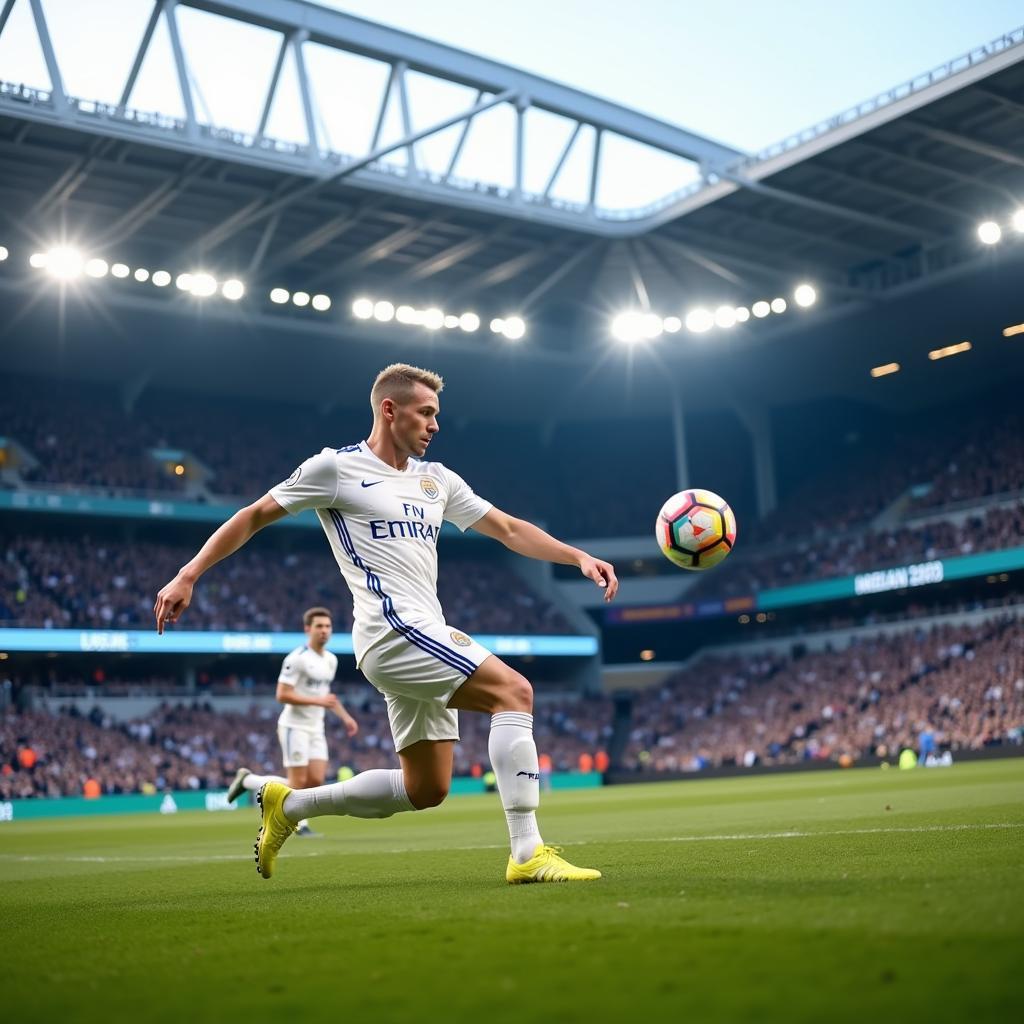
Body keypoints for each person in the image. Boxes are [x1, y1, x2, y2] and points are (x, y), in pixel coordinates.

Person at [154, 362, 618, 884]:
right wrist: (188, 574)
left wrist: (576, 557)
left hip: (421, 631)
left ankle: (292, 805)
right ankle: (527, 852)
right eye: (426, 413)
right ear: (389, 410)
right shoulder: (334, 468)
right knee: (515, 692)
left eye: (436, 414)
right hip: (392, 629)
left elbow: (508, 529)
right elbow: (254, 515)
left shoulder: (436, 480)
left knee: (427, 789)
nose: (435, 424)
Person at [225, 607, 359, 837]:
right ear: (308, 629)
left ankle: (249, 779)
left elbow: (326, 695)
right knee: (297, 781)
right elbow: (282, 694)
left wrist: (346, 717)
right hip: (294, 726)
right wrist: (318, 701)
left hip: (317, 727)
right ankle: (297, 822)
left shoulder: (330, 660)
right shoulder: (297, 659)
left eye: (328, 626)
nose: (324, 631)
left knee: (315, 780)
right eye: (319, 626)